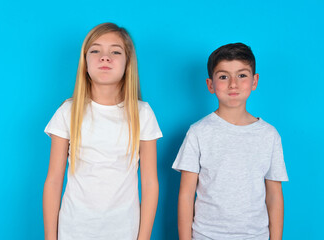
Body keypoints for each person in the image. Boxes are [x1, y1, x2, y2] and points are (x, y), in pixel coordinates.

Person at [43, 23, 162, 240]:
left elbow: (150, 183)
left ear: (127, 63)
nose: (105, 57)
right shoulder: (68, 111)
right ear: (85, 62)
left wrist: (143, 237)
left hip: (124, 230)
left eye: (115, 51)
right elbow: (53, 181)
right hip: (74, 229)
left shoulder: (142, 113)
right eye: (96, 50)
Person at [172, 43, 288, 240]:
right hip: (206, 235)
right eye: (223, 76)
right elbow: (186, 195)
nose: (233, 84)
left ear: (254, 81)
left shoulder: (269, 135)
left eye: (242, 75)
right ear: (210, 85)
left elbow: (274, 195)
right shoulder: (198, 132)